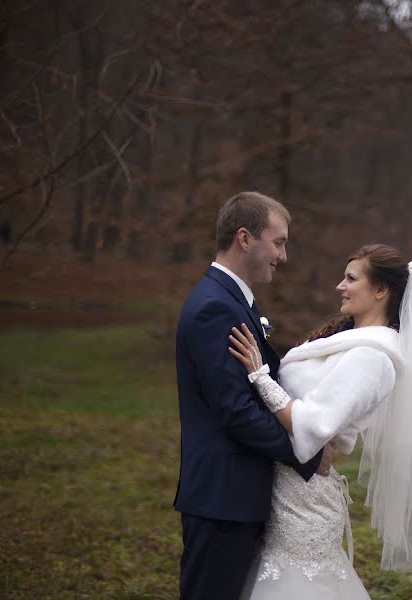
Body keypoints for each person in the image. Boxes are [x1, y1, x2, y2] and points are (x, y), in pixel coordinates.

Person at [228, 243, 412, 599]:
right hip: (285, 484)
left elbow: (312, 424)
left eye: (351, 278)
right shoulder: (345, 340)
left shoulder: (373, 359)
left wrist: (259, 376)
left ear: (380, 290)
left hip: (305, 497)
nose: (340, 286)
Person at [174, 191, 334, 600]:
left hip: (236, 495)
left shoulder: (231, 300)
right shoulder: (216, 308)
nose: (283, 256)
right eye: (278, 242)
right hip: (222, 498)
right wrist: (306, 451)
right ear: (245, 238)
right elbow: (235, 410)